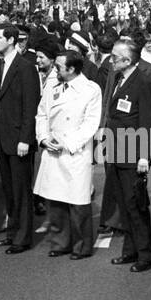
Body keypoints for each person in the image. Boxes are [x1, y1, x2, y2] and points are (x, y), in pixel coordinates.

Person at [35, 50, 102, 259]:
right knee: (55, 201)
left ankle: (81, 246)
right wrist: (44, 138)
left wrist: (66, 143)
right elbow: (42, 114)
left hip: (75, 152)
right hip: (52, 149)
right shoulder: (52, 87)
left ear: (72, 69)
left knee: (77, 203)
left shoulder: (90, 90)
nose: (55, 70)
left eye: (59, 67)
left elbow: (90, 123)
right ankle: (60, 242)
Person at [101, 38, 151, 272]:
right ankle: (130, 249)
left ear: (127, 60)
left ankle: (145, 255)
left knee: (136, 205)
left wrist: (144, 156)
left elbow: (148, 120)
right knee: (125, 205)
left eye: (115, 57)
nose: (111, 60)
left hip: (133, 152)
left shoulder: (143, 82)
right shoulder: (118, 78)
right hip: (116, 150)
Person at [0, 25, 39, 254]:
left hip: (18, 139)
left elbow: (30, 106)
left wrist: (25, 139)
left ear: (11, 40)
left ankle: (23, 237)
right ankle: (12, 231)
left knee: (21, 190)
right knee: (8, 189)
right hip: (1, 136)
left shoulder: (25, 68)